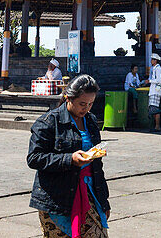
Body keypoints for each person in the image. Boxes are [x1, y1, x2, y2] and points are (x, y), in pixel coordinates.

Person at [27, 74, 110, 238]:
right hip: (57, 197)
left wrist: (104, 200)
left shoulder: (91, 121)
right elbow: (34, 158)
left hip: (89, 192)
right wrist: (69, 159)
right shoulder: (49, 122)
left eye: (90, 104)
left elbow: (97, 167)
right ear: (68, 97)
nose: (86, 109)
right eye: (82, 104)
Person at [147, 54, 161, 132]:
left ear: (155, 60)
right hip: (153, 91)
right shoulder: (154, 68)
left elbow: (159, 80)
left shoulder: (158, 68)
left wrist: (150, 81)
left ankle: (157, 126)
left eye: (152, 59)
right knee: (152, 108)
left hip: (156, 91)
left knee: (155, 109)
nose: (151, 61)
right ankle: (155, 126)